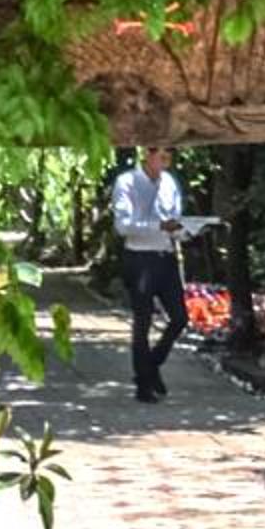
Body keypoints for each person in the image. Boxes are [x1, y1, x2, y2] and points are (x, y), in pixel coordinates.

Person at [109, 146, 184, 400]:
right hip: (140, 258)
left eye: (169, 157)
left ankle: (151, 364)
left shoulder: (169, 182)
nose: (166, 162)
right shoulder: (127, 182)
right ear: (147, 155)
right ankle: (143, 385)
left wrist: (185, 230)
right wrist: (158, 226)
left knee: (180, 317)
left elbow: (175, 221)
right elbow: (123, 226)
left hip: (165, 256)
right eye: (162, 156)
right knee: (143, 321)